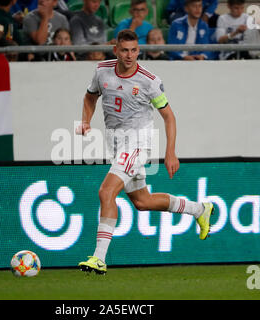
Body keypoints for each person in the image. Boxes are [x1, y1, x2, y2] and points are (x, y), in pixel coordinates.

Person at [77, 29, 214, 275]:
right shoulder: (102, 71)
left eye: (134, 50)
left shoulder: (149, 81)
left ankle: (99, 258)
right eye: (125, 50)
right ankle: (199, 209)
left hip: (138, 144)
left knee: (106, 191)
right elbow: (89, 98)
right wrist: (85, 120)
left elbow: (169, 117)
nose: (130, 55)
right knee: (143, 201)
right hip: (117, 144)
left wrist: (170, 152)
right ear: (115, 50)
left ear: (138, 50)